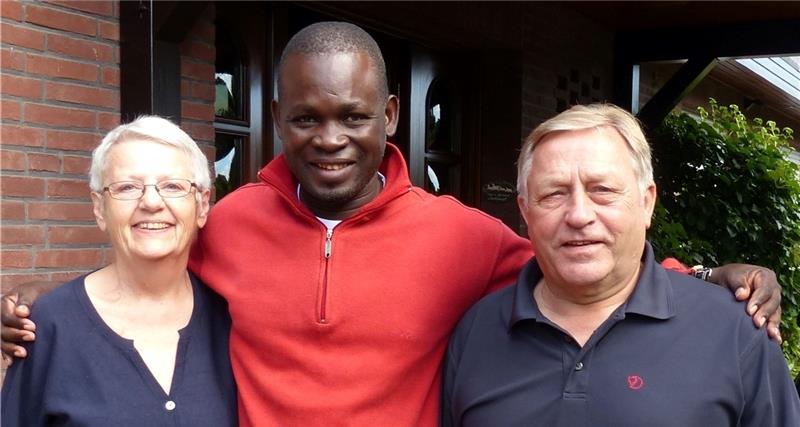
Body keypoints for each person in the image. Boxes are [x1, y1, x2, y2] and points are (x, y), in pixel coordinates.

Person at [0, 22, 784, 426]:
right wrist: (42, 307)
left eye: (352, 115)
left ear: (391, 116)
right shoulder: (232, 222)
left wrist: (708, 281)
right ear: (277, 119)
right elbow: (146, 257)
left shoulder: (461, 236)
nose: (330, 137)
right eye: (306, 117)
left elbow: (581, 264)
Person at [440, 104, 800, 426]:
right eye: (554, 194)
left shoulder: (735, 333)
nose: (579, 215)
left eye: (603, 190)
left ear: (647, 203)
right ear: (525, 211)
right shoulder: (477, 333)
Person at [0, 117, 237, 426]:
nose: (151, 201)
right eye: (127, 187)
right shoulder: (47, 326)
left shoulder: (232, 320)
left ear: (202, 205)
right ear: (99, 208)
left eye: (172, 186)